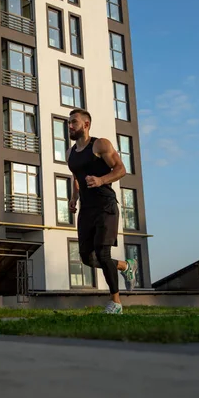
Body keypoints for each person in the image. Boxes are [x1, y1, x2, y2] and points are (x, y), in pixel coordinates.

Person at [66, 108, 138, 314]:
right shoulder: (70, 153)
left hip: (105, 206)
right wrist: (73, 198)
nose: (70, 126)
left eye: (74, 122)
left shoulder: (100, 145)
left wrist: (101, 180)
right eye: (69, 123)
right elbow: (76, 178)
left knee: (102, 252)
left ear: (86, 125)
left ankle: (115, 303)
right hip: (86, 209)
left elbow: (121, 169)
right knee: (87, 258)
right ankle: (126, 266)